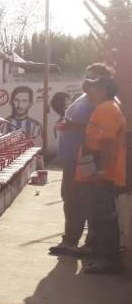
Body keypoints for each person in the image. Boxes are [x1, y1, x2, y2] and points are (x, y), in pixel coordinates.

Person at [49, 63, 112, 257]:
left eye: (92, 78)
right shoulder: (85, 98)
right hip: (71, 158)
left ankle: (88, 243)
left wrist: (72, 125)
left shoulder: (101, 101)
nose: (87, 81)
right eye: (86, 76)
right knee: (70, 199)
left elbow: (99, 127)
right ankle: (70, 240)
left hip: (84, 158)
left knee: (84, 200)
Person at [76, 74, 126, 274]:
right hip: (104, 172)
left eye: (95, 87)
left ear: (104, 90)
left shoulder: (106, 109)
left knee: (103, 217)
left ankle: (107, 261)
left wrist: (102, 171)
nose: (90, 91)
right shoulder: (106, 107)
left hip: (104, 173)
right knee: (103, 216)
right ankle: (106, 259)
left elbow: (107, 143)